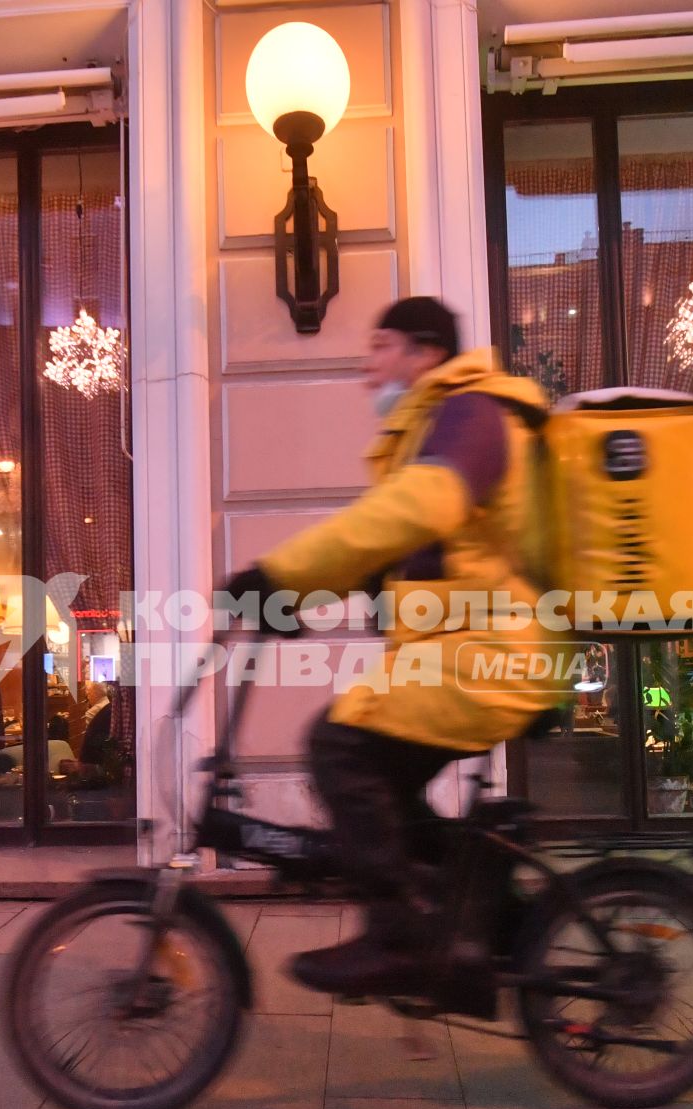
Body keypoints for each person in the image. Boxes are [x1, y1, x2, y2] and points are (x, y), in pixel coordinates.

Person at [221, 296, 566, 997]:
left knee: (341, 743)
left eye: (380, 347)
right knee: (388, 796)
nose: (366, 371)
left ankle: (402, 936)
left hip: (494, 656)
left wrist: (281, 574)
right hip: (472, 653)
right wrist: (288, 599)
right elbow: (385, 559)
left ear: (424, 350)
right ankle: (478, 922)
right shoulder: (441, 427)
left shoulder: (475, 413)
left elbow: (412, 513)